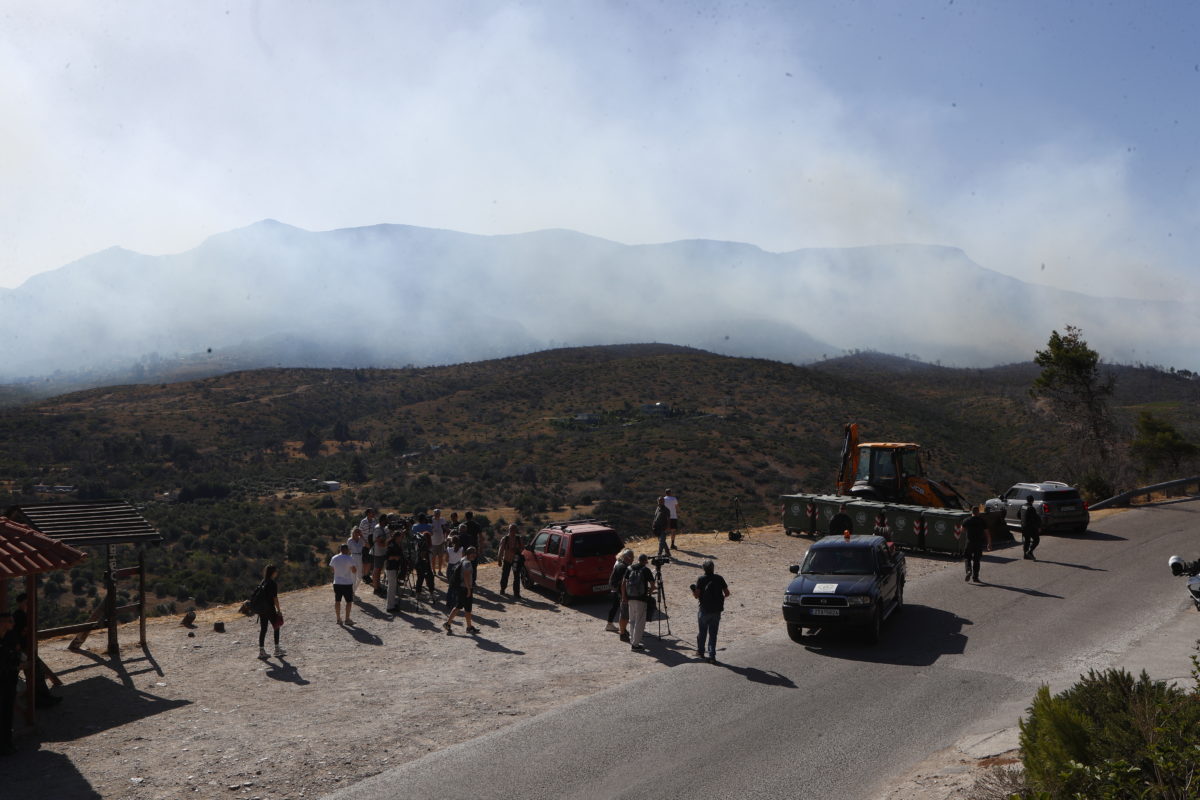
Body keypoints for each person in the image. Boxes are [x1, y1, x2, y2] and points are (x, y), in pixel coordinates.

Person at [691, 560, 730, 663]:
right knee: (713, 634)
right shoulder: (719, 578)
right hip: (716, 610)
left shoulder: (701, 579)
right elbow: (727, 593)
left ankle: (701, 652)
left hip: (704, 609)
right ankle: (712, 656)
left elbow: (697, 596)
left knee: (702, 632)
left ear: (704, 569)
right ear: (713, 568)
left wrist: (693, 591)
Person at [622, 553, 656, 651]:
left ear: (638, 560)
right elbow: (653, 585)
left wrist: (624, 596)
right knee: (640, 622)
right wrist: (650, 592)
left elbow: (624, 583)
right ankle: (635, 644)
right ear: (645, 561)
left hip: (630, 598)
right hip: (641, 598)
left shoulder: (629, 568)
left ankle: (632, 640)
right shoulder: (646, 570)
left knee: (632, 620)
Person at [443, 547, 480, 635]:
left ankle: (448, 624)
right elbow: (466, 576)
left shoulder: (462, 559)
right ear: (469, 554)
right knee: (467, 609)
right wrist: (468, 589)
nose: (474, 555)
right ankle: (469, 627)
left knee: (458, 606)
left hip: (461, 587)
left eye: (475, 553)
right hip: (465, 588)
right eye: (473, 553)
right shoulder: (467, 563)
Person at [0, 612, 19, 755]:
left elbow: (16, 654)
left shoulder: (11, 636)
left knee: (7, 712)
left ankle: (7, 743)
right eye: (10, 621)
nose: (13, 623)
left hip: (9, 679)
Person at [255, 564, 285, 659]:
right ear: (273, 573)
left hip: (261, 609)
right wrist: (279, 610)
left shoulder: (263, 582)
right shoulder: (272, 583)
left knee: (263, 629)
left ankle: (261, 651)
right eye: (276, 571)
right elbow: (275, 598)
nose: (277, 573)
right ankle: (276, 649)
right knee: (276, 626)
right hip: (270, 609)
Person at [961, 505, 992, 583]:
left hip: (969, 542)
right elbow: (987, 533)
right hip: (978, 543)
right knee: (977, 560)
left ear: (971, 511)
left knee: (967, 557)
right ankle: (975, 577)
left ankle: (968, 570)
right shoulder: (982, 521)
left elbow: (962, 530)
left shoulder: (967, 520)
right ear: (978, 512)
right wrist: (989, 543)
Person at [606, 549, 634, 634]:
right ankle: (622, 629)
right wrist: (624, 595)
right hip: (618, 591)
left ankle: (610, 624)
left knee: (615, 607)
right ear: (627, 558)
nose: (633, 560)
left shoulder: (619, 564)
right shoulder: (624, 567)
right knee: (623, 610)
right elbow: (623, 582)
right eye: (632, 558)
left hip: (615, 589)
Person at [330, 543, 358, 624]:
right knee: (349, 602)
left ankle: (338, 619)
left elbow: (332, 569)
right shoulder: (350, 558)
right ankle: (347, 619)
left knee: (337, 601)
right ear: (347, 550)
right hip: (347, 583)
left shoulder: (334, 557)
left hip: (337, 582)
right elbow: (354, 570)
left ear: (340, 550)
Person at [497, 523, 523, 597]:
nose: (512, 531)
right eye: (511, 529)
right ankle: (502, 589)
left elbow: (522, 549)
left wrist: (517, 549)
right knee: (505, 575)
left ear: (516, 530)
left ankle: (516, 593)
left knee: (517, 577)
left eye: (514, 529)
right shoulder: (505, 539)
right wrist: (499, 559)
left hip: (516, 560)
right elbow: (501, 549)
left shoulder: (519, 539)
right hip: (507, 560)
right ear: (509, 530)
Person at [412, 522, 436, 597]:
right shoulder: (426, 547)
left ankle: (418, 594)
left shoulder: (419, 544)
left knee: (420, 578)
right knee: (430, 578)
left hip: (418, 562)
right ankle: (431, 592)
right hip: (425, 563)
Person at [384, 530, 405, 613]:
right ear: (397, 537)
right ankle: (390, 606)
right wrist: (395, 557)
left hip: (394, 567)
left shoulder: (396, 544)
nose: (401, 538)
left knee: (392, 587)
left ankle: (392, 604)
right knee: (391, 587)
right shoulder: (392, 545)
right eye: (400, 537)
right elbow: (387, 556)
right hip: (391, 567)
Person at [357, 508, 379, 584]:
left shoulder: (374, 521)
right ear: (368, 513)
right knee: (365, 561)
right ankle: (364, 575)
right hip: (364, 543)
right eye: (372, 512)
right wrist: (365, 542)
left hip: (372, 543)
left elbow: (376, 532)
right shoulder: (363, 522)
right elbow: (360, 533)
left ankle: (367, 575)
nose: (373, 513)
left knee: (370, 560)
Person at [370, 513, 389, 590]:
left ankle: (377, 585)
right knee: (377, 570)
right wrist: (387, 544)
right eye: (386, 520)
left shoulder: (382, 528)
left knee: (378, 569)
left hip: (381, 551)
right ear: (383, 520)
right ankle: (376, 587)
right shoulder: (378, 529)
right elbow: (378, 541)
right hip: (378, 552)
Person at [1020, 496, 1042, 561]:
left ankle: (1025, 555)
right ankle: (1029, 552)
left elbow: (1018, 515)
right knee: (1036, 539)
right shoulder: (1031, 508)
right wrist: (1039, 526)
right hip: (1030, 527)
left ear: (1027, 500)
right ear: (1033, 501)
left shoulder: (1022, 506)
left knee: (1026, 541)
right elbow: (1035, 518)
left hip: (1023, 526)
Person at [429, 510, 448, 576]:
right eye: (436, 513)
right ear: (434, 514)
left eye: (438, 513)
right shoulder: (431, 520)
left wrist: (445, 537)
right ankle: (433, 570)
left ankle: (440, 570)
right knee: (433, 558)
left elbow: (445, 529)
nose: (437, 515)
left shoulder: (443, 520)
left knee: (440, 557)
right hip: (433, 542)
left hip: (441, 542)